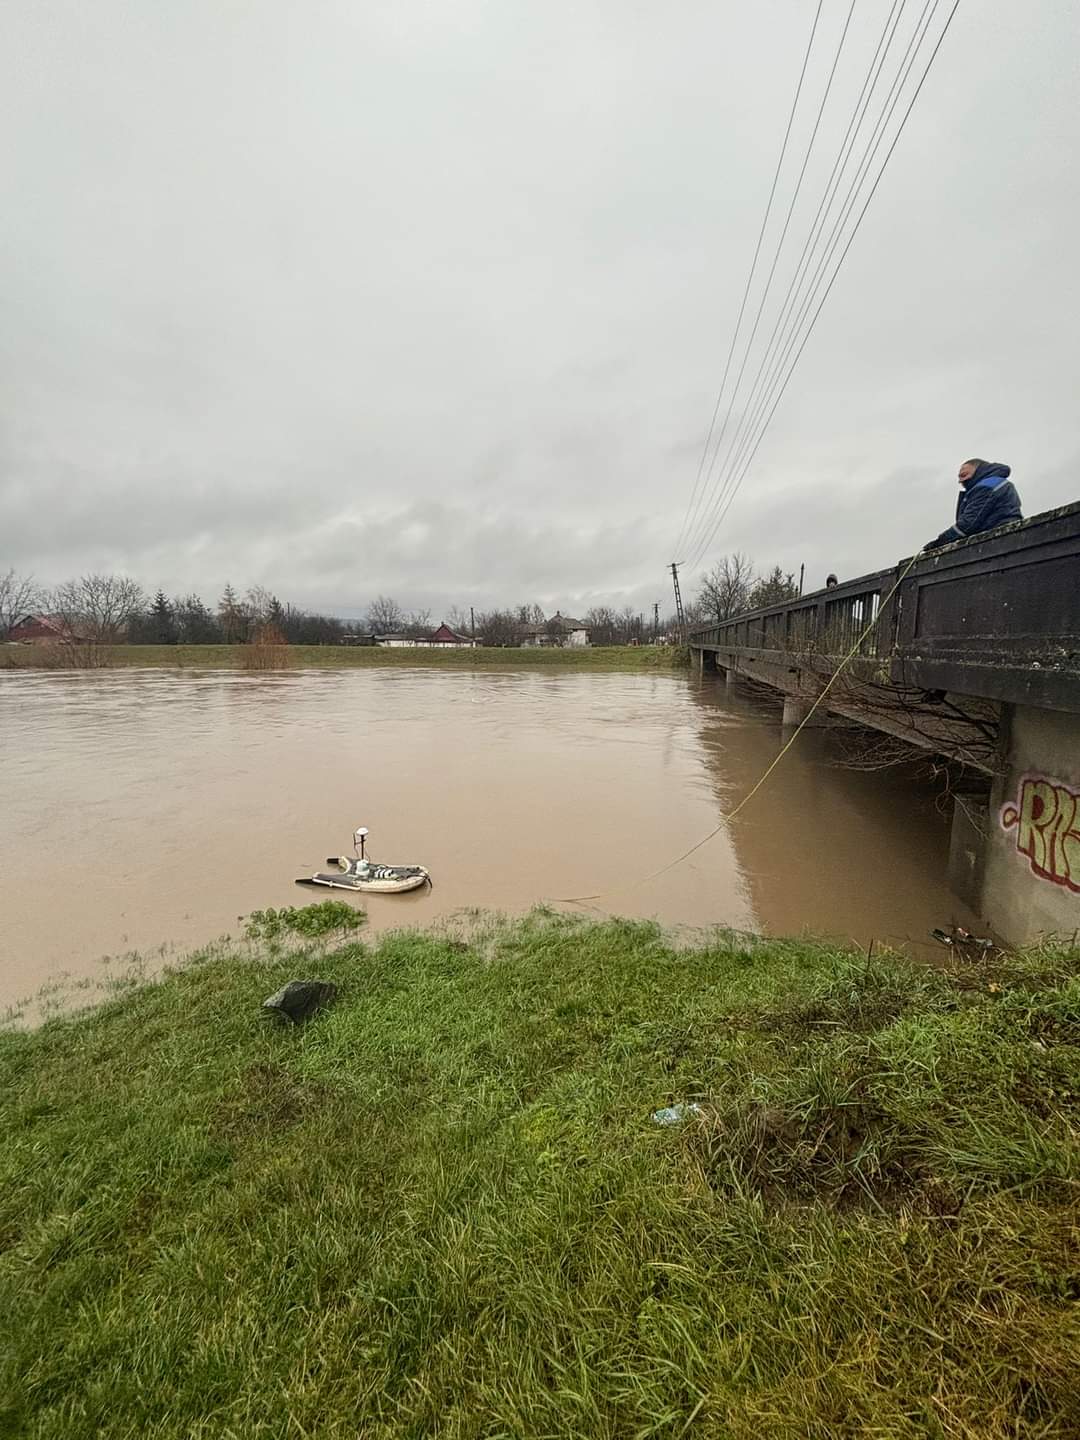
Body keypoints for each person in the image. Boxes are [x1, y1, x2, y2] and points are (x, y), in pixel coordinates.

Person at [924, 458, 1022, 550]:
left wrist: (940, 542)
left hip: (999, 538)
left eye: (964, 475)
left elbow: (967, 524)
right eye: (959, 477)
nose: (960, 481)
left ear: (979, 471)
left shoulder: (985, 487)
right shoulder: (998, 482)